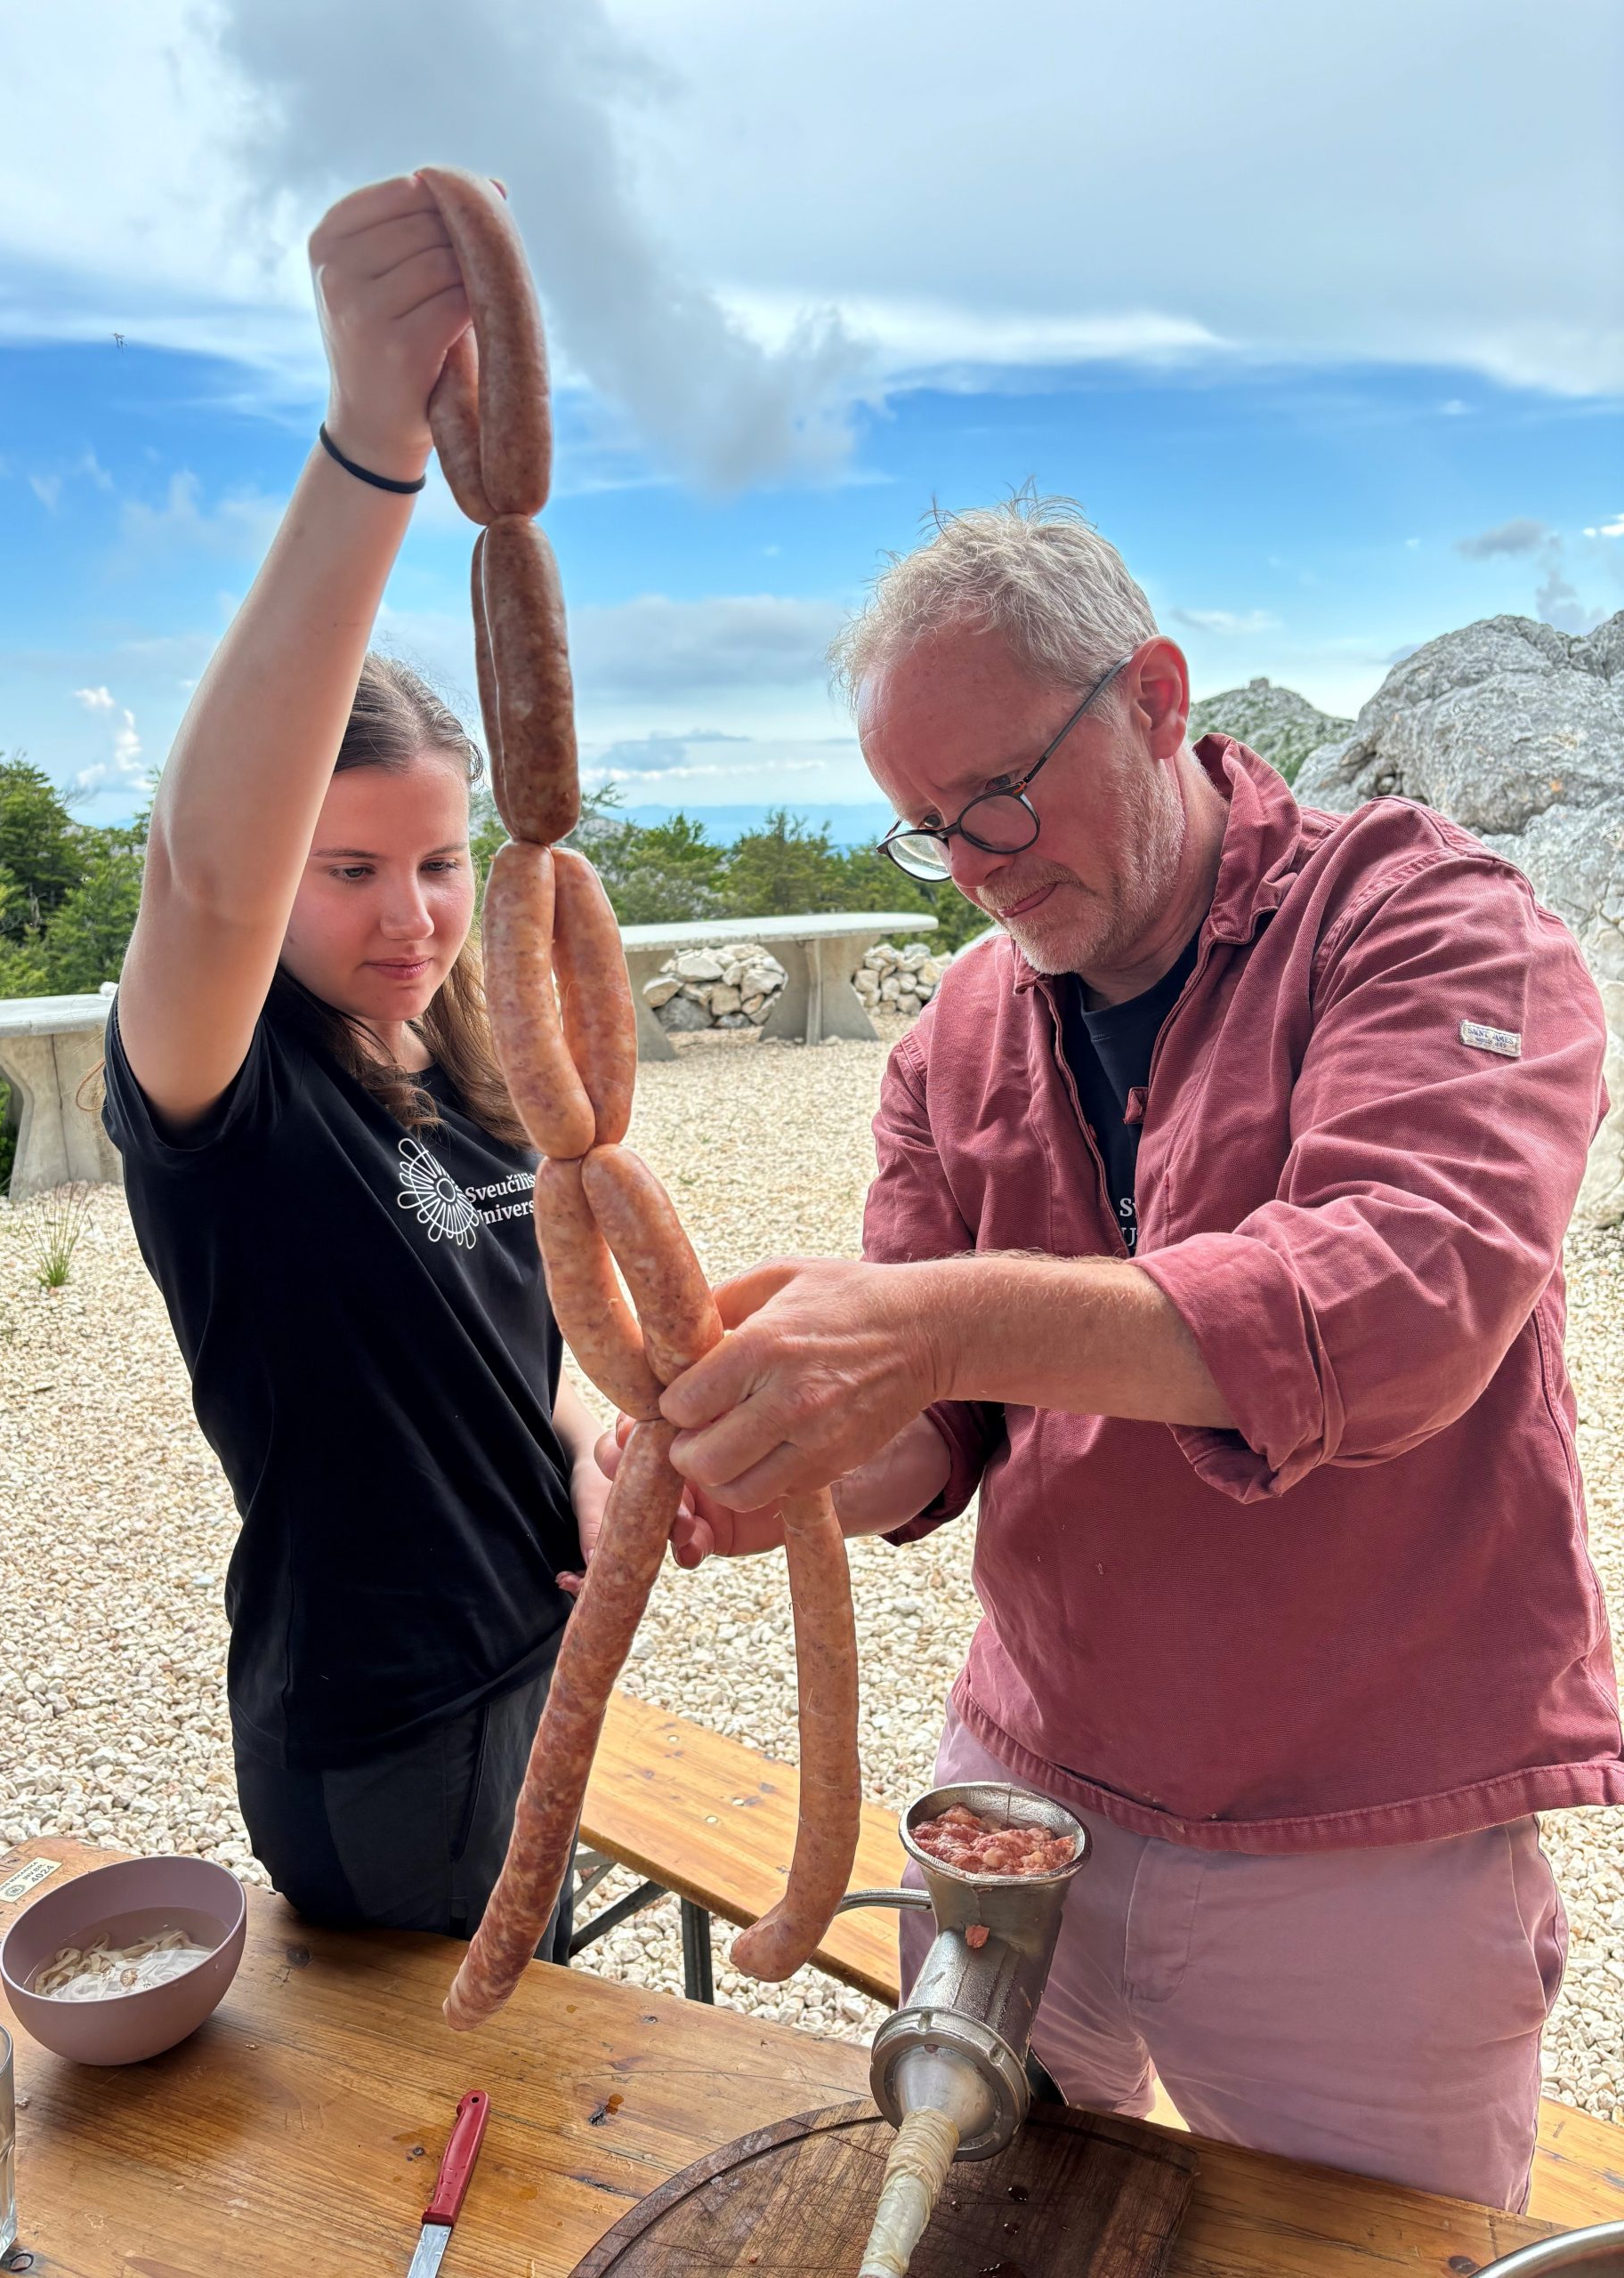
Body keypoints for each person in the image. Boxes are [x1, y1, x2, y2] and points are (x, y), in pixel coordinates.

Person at [632, 494, 1621, 2211]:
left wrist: (925, 1316)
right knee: (982, 2230)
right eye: (926, 828)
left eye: (1000, 792)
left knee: (1362, 2264)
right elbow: (936, 1435)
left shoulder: (1431, 921)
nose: (978, 862)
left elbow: (1404, 1299)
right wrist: (762, 1459)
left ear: (1154, 697)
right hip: (1023, 1781)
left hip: (1360, 1850)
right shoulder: (954, 1033)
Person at [104, 175, 608, 1950]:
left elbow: (517, 1320)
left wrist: (583, 1437)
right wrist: (373, 446)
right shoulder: (229, 1102)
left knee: (531, 2075)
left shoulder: (462, 1053)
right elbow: (205, 874)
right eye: (350, 870)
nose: (411, 916)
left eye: (438, 861)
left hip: (533, 1656)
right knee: (459, 2129)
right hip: (382, 1742)